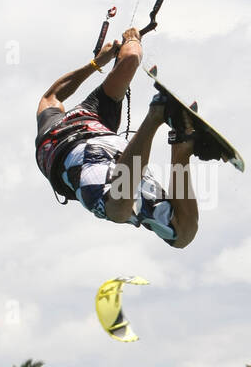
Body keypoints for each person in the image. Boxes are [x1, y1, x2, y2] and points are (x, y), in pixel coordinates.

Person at [35, 27, 199, 248]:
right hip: (118, 153)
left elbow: (51, 95)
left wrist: (98, 63)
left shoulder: (52, 129)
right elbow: (131, 56)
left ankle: (158, 119)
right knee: (179, 232)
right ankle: (180, 144)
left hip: (83, 164)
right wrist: (131, 40)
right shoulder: (88, 110)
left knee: (122, 212)